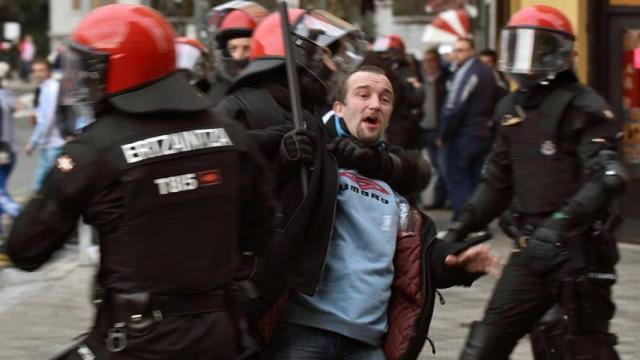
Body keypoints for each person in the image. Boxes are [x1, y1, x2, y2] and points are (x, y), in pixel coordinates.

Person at [7, 4, 275, 359]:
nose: (85, 81)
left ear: (120, 69)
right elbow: (263, 229)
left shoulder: (96, 148)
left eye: (91, 70)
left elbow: (25, 249)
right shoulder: (231, 134)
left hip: (137, 339)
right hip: (220, 332)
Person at [263, 65, 501, 360]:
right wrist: (283, 161)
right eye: (363, 95)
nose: (375, 103)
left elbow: (412, 248)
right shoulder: (315, 162)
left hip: (367, 341)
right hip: (305, 331)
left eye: (385, 98)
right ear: (338, 108)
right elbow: (264, 205)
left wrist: (454, 261)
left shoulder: (393, 180)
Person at [448, 6, 626, 359]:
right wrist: (458, 229)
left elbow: (609, 177)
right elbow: (497, 182)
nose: (527, 57)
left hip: (577, 255)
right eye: (519, 45)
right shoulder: (510, 109)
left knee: (571, 348)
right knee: (482, 347)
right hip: (529, 252)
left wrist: (559, 224)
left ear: (563, 52)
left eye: (539, 46)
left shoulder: (585, 106)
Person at [439, 38, 498, 220]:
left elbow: (454, 106)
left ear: (472, 50)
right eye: (455, 50)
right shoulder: (487, 71)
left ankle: (463, 220)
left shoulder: (467, 72)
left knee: (458, 179)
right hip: (482, 133)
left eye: (461, 50)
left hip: (464, 135)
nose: (457, 54)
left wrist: (444, 133)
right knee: (476, 180)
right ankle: (478, 220)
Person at [207, 1, 268, 105]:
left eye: (247, 48)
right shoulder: (214, 92)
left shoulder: (274, 90)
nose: (238, 56)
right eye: (232, 48)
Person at [369, 34, 424, 150]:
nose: (386, 56)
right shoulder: (376, 70)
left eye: (389, 51)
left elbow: (415, 99)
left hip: (400, 125)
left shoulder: (407, 69)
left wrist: (418, 90)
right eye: (382, 53)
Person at [25, 58, 65, 192]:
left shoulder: (52, 88)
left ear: (49, 71)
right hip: (49, 144)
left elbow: (48, 118)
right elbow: (42, 115)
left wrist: (34, 142)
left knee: (45, 185)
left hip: (55, 143)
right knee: (45, 184)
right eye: (35, 70)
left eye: (41, 70)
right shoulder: (44, 88)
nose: (37, 73)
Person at [418, 47, 451, 209]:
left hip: (438, 129)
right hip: (422, 128)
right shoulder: (419, 78)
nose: (428, 63)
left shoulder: (445, 79)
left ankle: (442, 198)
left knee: (442, 166)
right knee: (429, 166)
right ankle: (436, 198)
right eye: (426, 60)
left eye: (431, 60)